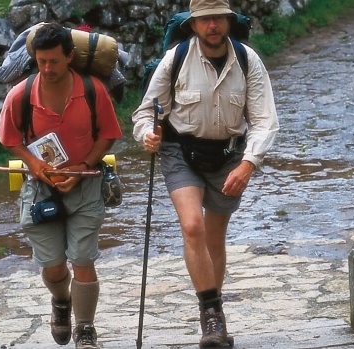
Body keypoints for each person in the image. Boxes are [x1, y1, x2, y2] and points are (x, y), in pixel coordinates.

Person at [132, 0, 279, 347]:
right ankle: (212, 317)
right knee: (192, 226)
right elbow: (146, 112)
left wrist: (248, 164)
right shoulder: (176, 59)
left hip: (230, 155)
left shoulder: (248, 60)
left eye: (218, 18)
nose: (212, 25)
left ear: (228, 21)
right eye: (204, 19)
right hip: (180, 151)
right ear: (193, 24)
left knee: (214, 237)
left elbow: (264, 120)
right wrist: (147, 134)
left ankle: (214, 315)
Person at [0, 23, 122, 349]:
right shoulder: (21, 96)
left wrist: (83, 167)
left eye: (54, 61)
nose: (48, 69)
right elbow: (9, 138)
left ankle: (85, 330)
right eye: (41, 62)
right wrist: (34, 164)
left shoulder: (93, 91)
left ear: (70, 57)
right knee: (53, 268)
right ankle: (61, 301)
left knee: (82, 258)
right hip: (40, 191)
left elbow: (108, 134)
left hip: (85, 188)